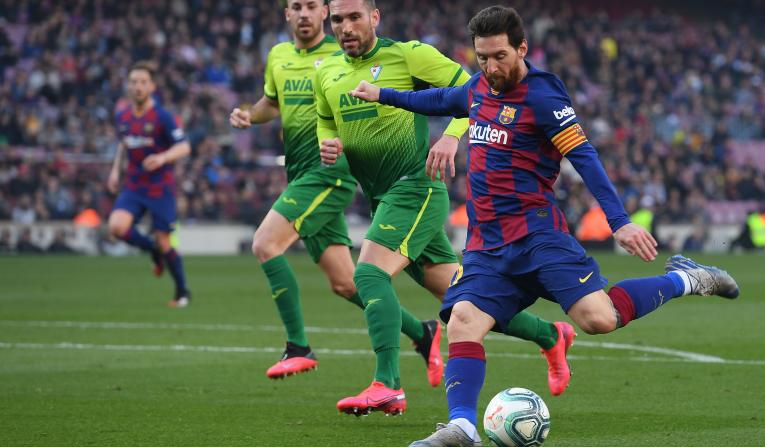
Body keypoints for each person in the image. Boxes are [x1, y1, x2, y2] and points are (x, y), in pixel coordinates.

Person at [349, 6, 741, 446]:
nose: (490, 67)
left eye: (499, 56)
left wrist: (620, 223)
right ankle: (461, 427)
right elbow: (439, 99)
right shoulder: (478, 88)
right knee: (462, 320)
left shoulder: (543, 97)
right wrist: (382, 94)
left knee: (598, 319)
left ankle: (685, 278)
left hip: (538, 236)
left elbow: (584, 155)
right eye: (482, 57)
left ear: (521, 48)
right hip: (488, 245)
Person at [317, 0, 573, 417]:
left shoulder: (408, 54)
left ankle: (388, 384)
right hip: (381, 197)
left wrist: (453, 136)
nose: (345, 27)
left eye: (354, 17)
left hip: (416, 187)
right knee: (462, 301)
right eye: (338, 20)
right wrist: (330, 142)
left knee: (367, 272)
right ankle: (551, 336)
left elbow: (476, 91)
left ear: (374, 18)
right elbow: (326, 120)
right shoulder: (326, 73)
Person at [229, 0, 442, 383]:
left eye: (313, 6)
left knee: (265, 243)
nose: (306, 13)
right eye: (297, 6)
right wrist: (249, 114)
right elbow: (271, 103)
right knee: (346, 283)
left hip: (330, 173)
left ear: (324, 13)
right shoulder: (278, 56)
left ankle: (298, 346)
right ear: (287, 14)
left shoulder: (341, 52)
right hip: (299, 174)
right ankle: (422, 332)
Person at [107, 61, 192, 308]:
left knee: (166, 242)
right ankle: (153, 251)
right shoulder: (122, 116)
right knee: (116, 227)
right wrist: (115, 171)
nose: (138, 87)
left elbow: (184, 146)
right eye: (133, 82)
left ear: (152, 86)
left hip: (159, 188)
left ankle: (182, 292)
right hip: (133, 186)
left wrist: (163, 157)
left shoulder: (163, 117)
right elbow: (123, 144)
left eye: (143, 82)